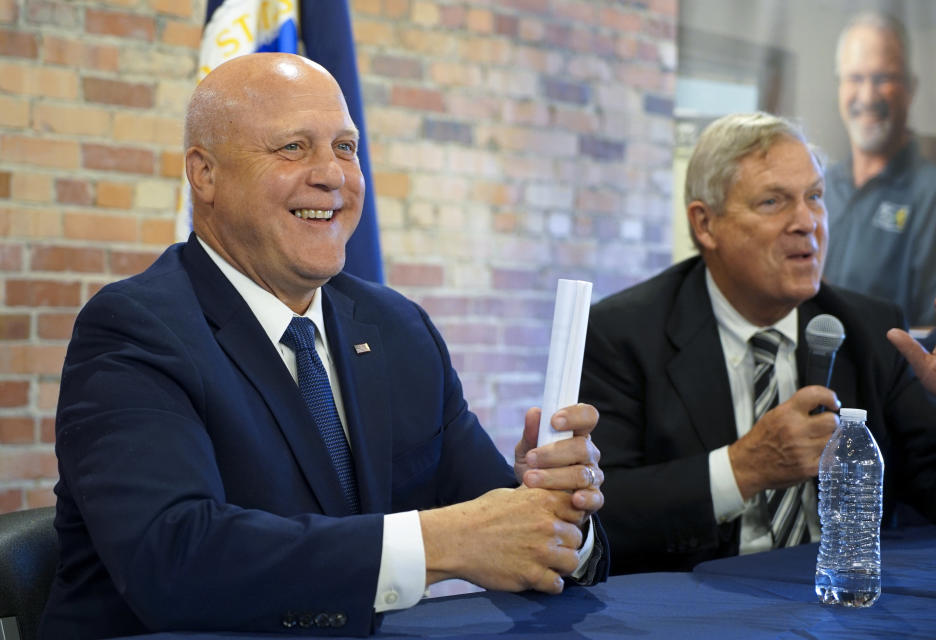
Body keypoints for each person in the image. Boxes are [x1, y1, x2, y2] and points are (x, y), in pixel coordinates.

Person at [40, 53, 607, 639]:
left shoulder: (397, 328)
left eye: (345, 147)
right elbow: (175, 559)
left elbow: (509, 529)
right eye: (292, 147)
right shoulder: (135, 328)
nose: (332, 175)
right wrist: (443, 541)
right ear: (204, 174)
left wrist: (558, 512)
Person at [580, 112, 936, 575]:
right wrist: (742, 469)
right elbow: (599, 514)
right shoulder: (623, 333)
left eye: (815, 197)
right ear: (706, 224)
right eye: (772, 202)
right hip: (695, 605)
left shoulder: (871, 329)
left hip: (840, 596)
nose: (807, 223)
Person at [823, 11, 936, 328]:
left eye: (883, 78)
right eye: (855, 78)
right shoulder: (822, 186)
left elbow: (933, 337)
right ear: (839, 86)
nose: (867, 96)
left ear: (910, 88)